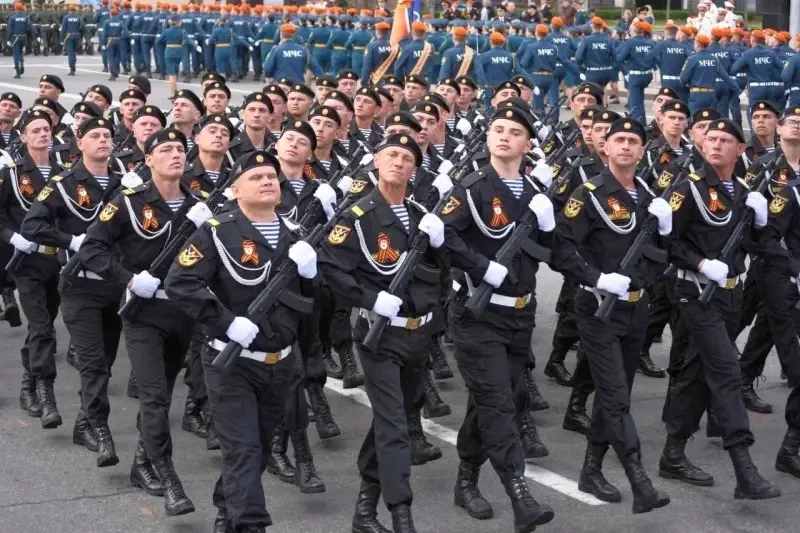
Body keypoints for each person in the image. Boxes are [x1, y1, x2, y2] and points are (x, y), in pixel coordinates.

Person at [165, 149, 316, 533]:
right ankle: (250, 524)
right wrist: (227, 323)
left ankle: (227, 513)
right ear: (235, 189)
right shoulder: (217, 231)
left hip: (279, 363)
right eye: (256, 177)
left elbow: (316, 303)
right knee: (243, 449)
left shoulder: (295, 233)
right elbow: (180, 282)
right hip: (232, 364)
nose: (267, 182)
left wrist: (314, 273)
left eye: (271, 177)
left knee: (257, 450)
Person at [78, 128, 210, 516]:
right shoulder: (128, 202)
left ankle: (142, 461)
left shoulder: (200, 207)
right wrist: (130, 279)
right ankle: (167, 475)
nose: (176, 155)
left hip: (182, 313)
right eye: (165, 149)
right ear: (148, 159)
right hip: (143, 313)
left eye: (180, 149)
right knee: (153, 395)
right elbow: (91, 249)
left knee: (163, 393)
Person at [318, 133, 442, 533]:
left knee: (393, 421)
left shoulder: (420, 214)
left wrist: (441, 243)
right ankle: (401, 514)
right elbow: (329, 265)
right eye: (392, 154)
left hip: (417, 335)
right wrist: (368, 298)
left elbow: (441, 273)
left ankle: (365, 510)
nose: (399, 162)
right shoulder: (357, 216)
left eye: (407, 157)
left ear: (415, 169)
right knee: (395, 426)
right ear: (375, 160)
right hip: (380, 336)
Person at [440, 106, 555, 531]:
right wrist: (480, 266)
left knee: (496, 399)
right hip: (478, 315)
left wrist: (549, 225)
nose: (504, 136)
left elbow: (554, 252)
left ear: (528, 144)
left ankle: (466, 480)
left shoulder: (536, 192)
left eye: (514, 131)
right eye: (498, 129)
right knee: (498, 402)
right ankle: (519, 493)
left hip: (520, 315)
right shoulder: (471, 187)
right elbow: (442, 234)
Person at [552, 116, 672, 511]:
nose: (625, 146)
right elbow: (561, 248)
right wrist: (596, 278)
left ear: (642, 151)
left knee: (615, 394)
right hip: (598, 308)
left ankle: (591, 470)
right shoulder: (587, 194)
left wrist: (665, 230)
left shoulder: (648, 197)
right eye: (618, 140)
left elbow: (660, 257)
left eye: (633, 141)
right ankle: (639, 481)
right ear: (605, 147)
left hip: (636, 307)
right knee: (616, 396)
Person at [659, 118, 781, 501]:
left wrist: (762, 222)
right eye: (710, 138)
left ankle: (672, 453)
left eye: (725, 140)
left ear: (740, 149)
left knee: (698, 373)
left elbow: (759, 245)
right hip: (696, 293)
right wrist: (699, 263)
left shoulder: (744, 192)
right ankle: (745, 470)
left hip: (730, 295)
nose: (715, 144)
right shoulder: (688, 188)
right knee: (727, 372)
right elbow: (667, 242)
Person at [24, 117, 124, 466]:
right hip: (80, 287)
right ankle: (99, 428)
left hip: (115, 285)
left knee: (106, 362)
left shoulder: (123, 184)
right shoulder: (63, 184)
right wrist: (71, 240)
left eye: (107, 135)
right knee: (93, 363)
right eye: (95, 135)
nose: (103, 140)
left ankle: (84, 422)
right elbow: (33, 225)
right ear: (79, 143)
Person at [1, 111, 61, 426]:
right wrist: (13, 238)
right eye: (35, 130)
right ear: (23, 137)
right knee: (42, 326)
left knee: (42, 325)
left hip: (56, 261)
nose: (42, 134)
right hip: (26, 263)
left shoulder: (64, 174)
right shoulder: (12, 174)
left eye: (46, 129)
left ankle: (28, 382)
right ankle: (42, 390)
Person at [61, 4, 86, 76]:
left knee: (70, 53)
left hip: (69, 36)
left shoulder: (66, 17)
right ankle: (73, 65)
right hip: (77, 36)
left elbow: (63, 29)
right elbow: (83, 27)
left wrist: (61, 39)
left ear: (69, 10)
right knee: (74, 52)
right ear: (75, 10)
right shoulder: (78, 17)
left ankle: (72, 69)